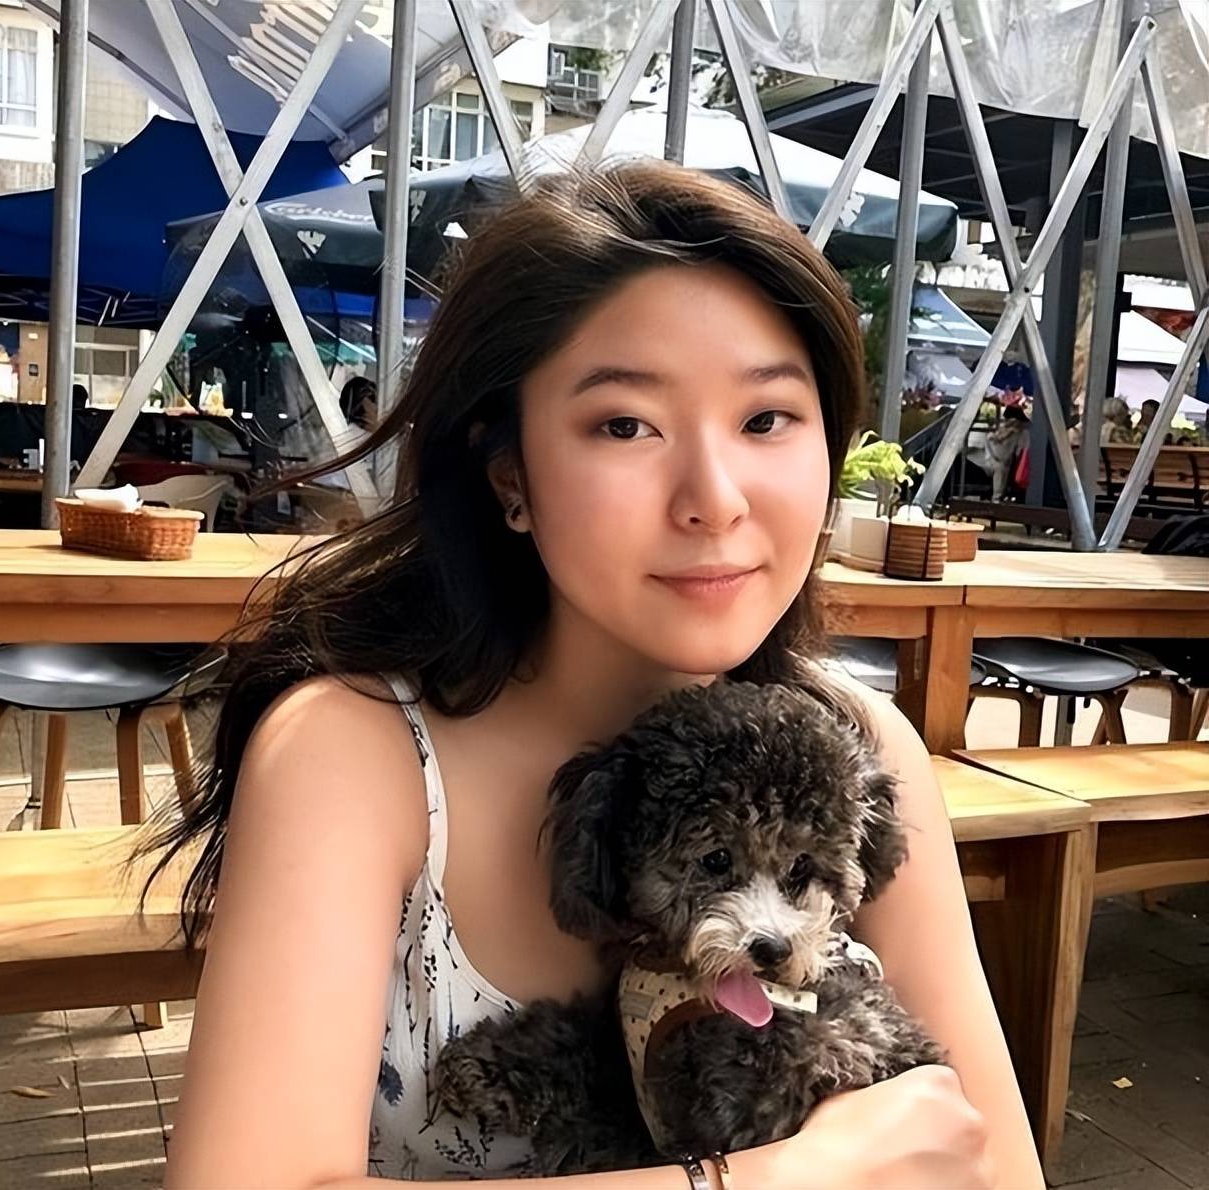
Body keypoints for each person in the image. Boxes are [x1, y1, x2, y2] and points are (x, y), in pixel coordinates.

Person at [150, 162, 1042, 1190]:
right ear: (510, 474)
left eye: (765, 419)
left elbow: (997, 1163)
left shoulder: (861, 751)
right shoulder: (353, 756)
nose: (714, 497)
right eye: (625, 424)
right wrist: (778, 1178)